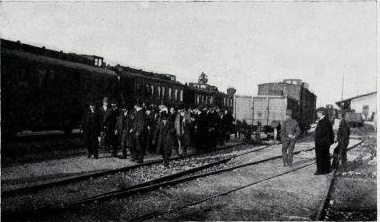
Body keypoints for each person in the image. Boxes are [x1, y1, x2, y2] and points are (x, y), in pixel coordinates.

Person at [314, 107, 334, 175]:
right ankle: (326, 170)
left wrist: (321, 141)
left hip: (322, 143)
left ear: (321, 112)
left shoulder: (324, 121)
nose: (317, 114)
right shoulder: (326, 120)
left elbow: (323, 132)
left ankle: (320, 171)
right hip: (324, 142)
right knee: (325, 156)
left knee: (320, 157)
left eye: (318, 112)